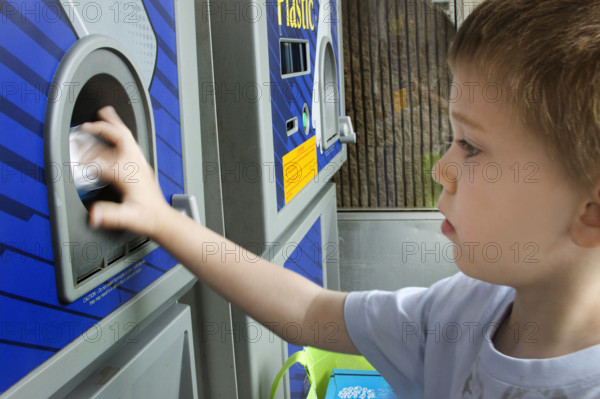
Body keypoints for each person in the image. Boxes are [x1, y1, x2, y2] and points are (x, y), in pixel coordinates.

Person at [81, 0, 600, 397]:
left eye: (471, 146)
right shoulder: (461, 312)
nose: (442, 167)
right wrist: (164, 220)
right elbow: (308, 310)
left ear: (591, 211)